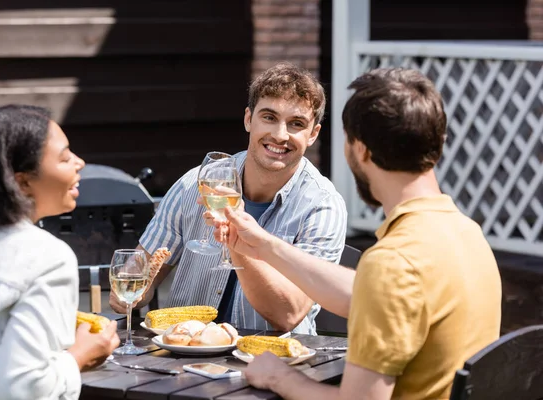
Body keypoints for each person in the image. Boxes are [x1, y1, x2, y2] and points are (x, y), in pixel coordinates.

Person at [214, 68, 502, 399]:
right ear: (437, 144)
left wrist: (279, 378)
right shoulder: (466, 233)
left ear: (360, 149)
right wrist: (263, 245)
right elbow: (371, 295)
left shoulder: (393, 263)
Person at [110, 62, 347, 334]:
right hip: (182, 356)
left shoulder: (322, 206)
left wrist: (236, 239)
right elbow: (142, 276)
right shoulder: (193, 185)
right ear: (248, 119)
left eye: (296, 124)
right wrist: (130, 291)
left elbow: (289, 314)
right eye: (269, 117)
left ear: (313, 134)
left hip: (273, 365)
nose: (280, 135)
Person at [0, 105, 120, 400]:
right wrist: (79, 357)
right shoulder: (46, 258)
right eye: (64, 158)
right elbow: (25, 387)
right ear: (23, 182)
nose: (80, 162)